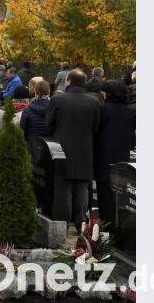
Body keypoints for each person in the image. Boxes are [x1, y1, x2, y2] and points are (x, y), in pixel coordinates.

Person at [46, 69, 101, 232]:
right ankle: (80, 223)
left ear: (68, 81)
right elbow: (96, 127)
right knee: (82, 187)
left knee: (64, 187)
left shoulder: (57, 100)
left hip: (61, 149)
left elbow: (48, 124)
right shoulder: (94, 102)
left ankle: (63, 222)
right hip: (85, 149)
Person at [94, 80, 135, 224]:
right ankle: (119, 223)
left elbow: (96, 131)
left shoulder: (102, 109)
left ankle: (105, 222)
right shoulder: (130, 110)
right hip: (122, 155)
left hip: (103, 155)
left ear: (108, 93)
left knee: (104, 192)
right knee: (120, 192)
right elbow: (132, 135)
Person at [19, 80, 51, 152]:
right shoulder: (55, 108)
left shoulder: (27, 109)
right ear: (49, 91)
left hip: (32, 144)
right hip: (51, 143)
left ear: (35, 92)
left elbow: (23, 129)